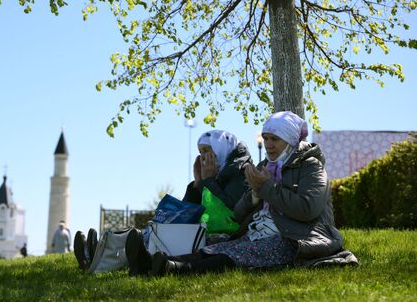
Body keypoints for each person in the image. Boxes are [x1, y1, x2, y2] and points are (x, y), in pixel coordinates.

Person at [127, 111, 358, 276]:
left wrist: (265, 189)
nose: (268, 144)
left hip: (298, 238)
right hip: (262, 232)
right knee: (217, 248)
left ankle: (172, 269)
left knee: (239, 254)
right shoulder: (264, 167)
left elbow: (308, 209)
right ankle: (154, 264)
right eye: (266, 138)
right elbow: (238, 214)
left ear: (288, 140)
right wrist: (254, 196)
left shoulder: (311, 166)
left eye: (274, 139)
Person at [126, 129, 252, 276]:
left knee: (188, 243)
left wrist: (209, 182)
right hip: (205, 232)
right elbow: (188, 213)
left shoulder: (242, 172)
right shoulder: (213, 175)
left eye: (207, 150)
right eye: (200, 151)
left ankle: (150, 263)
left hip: (229, 235)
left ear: (221, 149)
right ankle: (133, 257)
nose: (203, 156)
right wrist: (197, 185)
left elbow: (234, 209)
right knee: (153, 232)